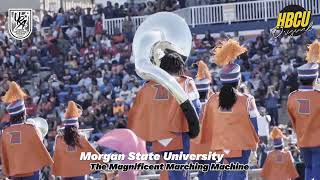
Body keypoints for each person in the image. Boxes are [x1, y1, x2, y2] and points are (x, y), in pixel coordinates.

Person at [128, 46, 201, 179]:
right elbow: (196, 108)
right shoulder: (185, 82)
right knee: (179, 174)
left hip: (157, 138)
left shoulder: (147, 86)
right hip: (179, 134)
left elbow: (140, 114)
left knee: (167, 173)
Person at [194, 39, 259, 180]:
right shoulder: (247, 100)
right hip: (240, 148)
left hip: (218, 149)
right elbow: (254, 128)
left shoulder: (212, 100)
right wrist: (255, 147)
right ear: (238, 80)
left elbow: (208, 127)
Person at [0, 81, 53, 179]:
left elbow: (3, 154)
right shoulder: (31, 129)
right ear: (23, 113)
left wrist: (4, 172)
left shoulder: (5, 132)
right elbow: (40, 149)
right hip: (31, 172)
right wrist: (48, 167)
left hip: (14, 173)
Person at [287, 40, 320, 180]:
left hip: (302, 140)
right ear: (315, 78)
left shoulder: (291, 97)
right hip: (318, 141)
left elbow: (293, 122)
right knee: (317, 170)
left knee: (308, 168)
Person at [52, 101, 100, 180]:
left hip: (65, 171)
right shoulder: (81, 137)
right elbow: (90, 153)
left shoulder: (58, 138)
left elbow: (56, 153)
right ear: (76, 125)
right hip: (79, 171)